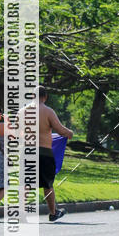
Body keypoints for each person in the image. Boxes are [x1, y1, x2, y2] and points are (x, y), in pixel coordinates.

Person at [37, 86, 74, 222]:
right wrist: (69, 133)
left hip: (27, 152)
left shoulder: (22, 112)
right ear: (45, 97)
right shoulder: (48, 111)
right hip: (44, 152)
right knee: (47, 184)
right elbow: (60, 130)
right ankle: (53, 213)